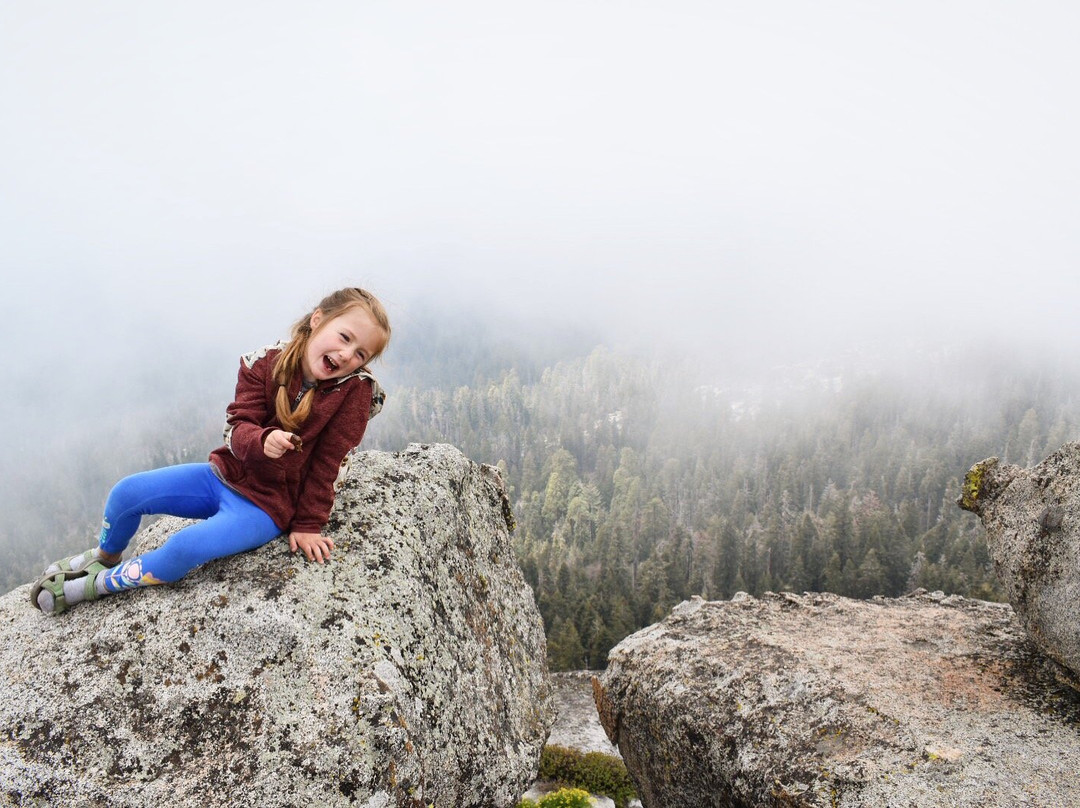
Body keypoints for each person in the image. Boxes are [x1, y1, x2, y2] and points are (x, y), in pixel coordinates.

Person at [31, 287, 391, 615]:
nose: (346, 355)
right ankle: (105, 558)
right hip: (223, 476)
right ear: (317, 320)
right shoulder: (263, 363)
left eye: (360, 353)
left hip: (266, 507)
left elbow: (329, 463)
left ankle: (96, 586)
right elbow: (237, 428)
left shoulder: (354, 394)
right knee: (127, 492)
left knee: (184, 549)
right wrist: (262, 441)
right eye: (344, 337)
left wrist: (309, 524)